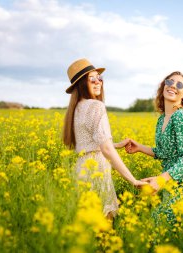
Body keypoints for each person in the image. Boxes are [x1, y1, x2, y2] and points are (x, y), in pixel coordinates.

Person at [63, 58, 146, 219]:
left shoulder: (75, 109)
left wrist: (116, 144)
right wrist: (133, 180)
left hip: (81, 170)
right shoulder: (95, 106)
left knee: (86, 226)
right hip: (97, 172)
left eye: (99, 78)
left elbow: (91, 143)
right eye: (92, 79)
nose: (98, 82)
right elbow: (105, 149)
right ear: (80, 84)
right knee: (104, 226)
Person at [125, 71, 183, 222]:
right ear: (163, 86)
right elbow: (163, 152)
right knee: (160, 219)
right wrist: (139, 147)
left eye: (179, 84)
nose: (173, 86)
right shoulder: (162, 119)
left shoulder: (180, 116)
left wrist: (160, 180)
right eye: (169, 82)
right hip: (170, 178)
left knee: (160, 219)